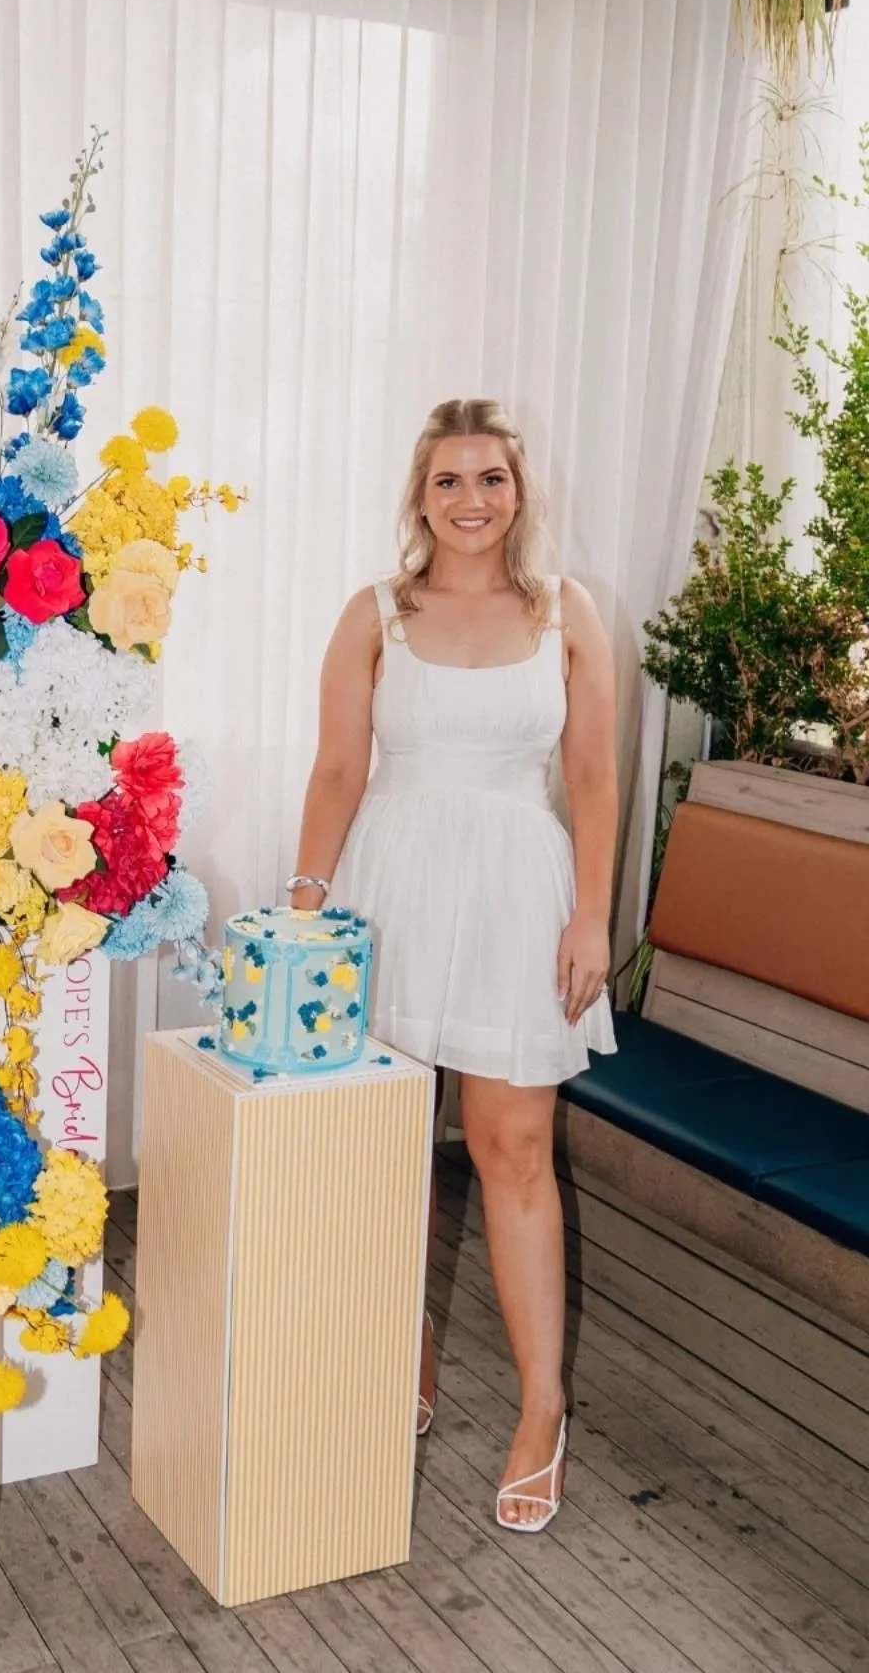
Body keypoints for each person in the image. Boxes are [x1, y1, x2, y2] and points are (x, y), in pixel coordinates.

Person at [288, 398, 618, 1532]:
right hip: (390, 888)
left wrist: (592, 918)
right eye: (449, 481)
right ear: (419, 495)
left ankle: (542, 1407)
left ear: (520, 493)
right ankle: (407, 1356)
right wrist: (306, 913)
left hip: (522, 893)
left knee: (513, 1146)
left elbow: (595, 780)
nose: (471, 500)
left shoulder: (566, 612)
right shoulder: (373, 613)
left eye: (492, 480)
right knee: (388, 1145)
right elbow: (338, 771)